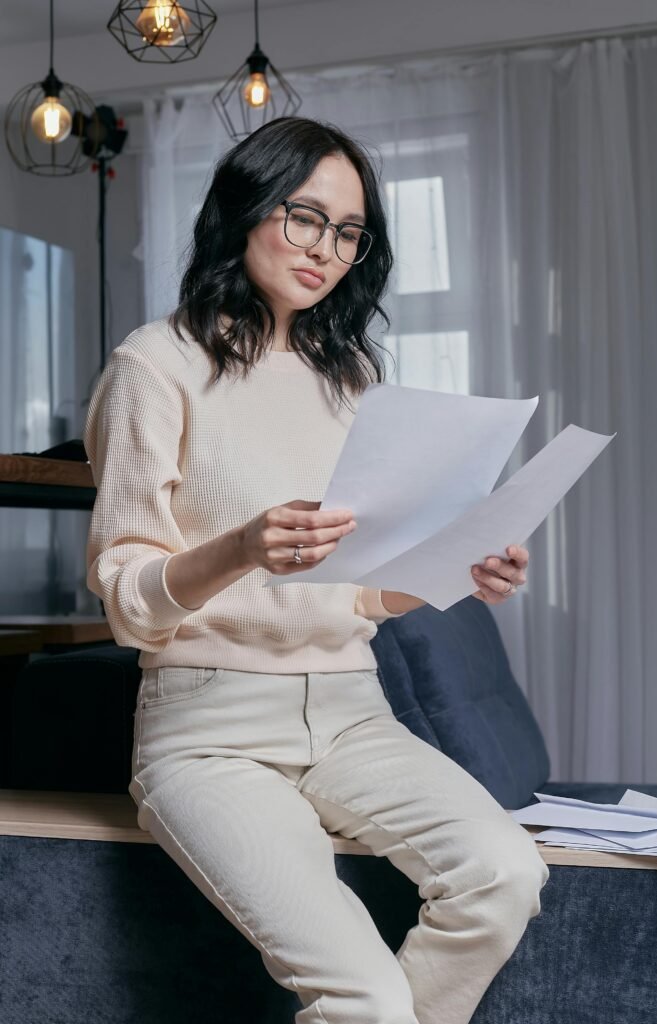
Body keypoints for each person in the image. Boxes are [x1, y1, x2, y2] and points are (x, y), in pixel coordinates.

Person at [84, 115, 548, 1024]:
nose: (324, 249)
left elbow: (363, 593)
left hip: (351, 715)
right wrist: (239, 548)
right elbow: (129, 604)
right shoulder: (155, 364)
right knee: (362, 995)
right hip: (208, 729)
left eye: (346, 231)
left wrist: (461, 567)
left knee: (504, 873)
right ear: (244, 209)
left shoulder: (350, 377)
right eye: (304, 217)